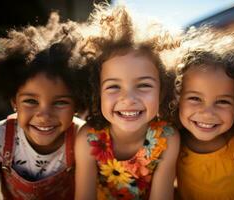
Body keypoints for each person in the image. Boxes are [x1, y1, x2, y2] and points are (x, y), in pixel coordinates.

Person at [0, 13, 90, 199]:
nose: (44, 115)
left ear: (77, 103)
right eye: (31, 101)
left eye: (60, 102)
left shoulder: (82, 139)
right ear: (14, 101)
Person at [75, 4, 180, 200]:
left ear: (162, 89)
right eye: (114, 87)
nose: (129, 99)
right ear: (97, 92)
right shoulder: (88, 139)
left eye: (144, 86)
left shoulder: (168, 138)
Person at [166, 27, 234, 200]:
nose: (207, 113)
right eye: (195, 98)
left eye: (223, 101)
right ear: (176, 98)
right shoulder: (172, 143)